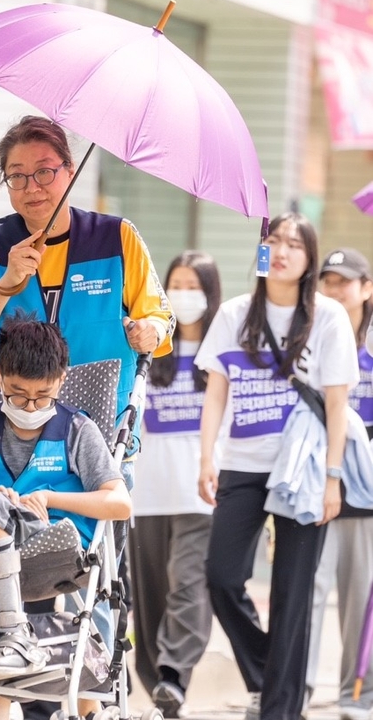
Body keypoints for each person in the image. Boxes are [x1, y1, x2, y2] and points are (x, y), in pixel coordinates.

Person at [0, 315, 132, 720]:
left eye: (42, 396)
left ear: (61, 380)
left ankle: (18, 636)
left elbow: (120, 503)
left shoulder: (76, 429)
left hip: (59, 553)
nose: (30, 406)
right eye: (18, 395)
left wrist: (49, 496)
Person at [195, 213, 358, 720]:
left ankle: (280, 709)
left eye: (294, 243)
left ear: (308, 258)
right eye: (273, 241)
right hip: (243, 464)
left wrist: (333, 477)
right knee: (221, 575)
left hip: (306, 469)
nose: (282, 250)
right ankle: (271, 668)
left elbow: (336, 406)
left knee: (293, 591)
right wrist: (208, 456)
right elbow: (217, 392)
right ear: (263, 251)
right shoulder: (234, 314)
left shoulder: (327, 317)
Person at [0, 115, 174, 461]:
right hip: (10, 439)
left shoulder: (116, 238)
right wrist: (5, 285)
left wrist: (150, 331)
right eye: (17, 176)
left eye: (44, 171)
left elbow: (161, 317)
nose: (32, 187)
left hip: (103, 435)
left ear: (69, 171)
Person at [128, 251, 222, 717]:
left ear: (211, 292)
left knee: (188, 585)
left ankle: (173, 673)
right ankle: (161, 689)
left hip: (199, 494)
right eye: (176, 285)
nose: (185, 294)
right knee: (148, 601)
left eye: (194, 285)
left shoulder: (222, 351)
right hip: (145, 494)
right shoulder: (146, 350)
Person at [306, 247, 373, 720]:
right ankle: (298, 690)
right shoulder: (313, 338)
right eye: (327, 281)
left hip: (366, 484)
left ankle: (359, 694)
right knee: (310, 589)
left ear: (366, 289)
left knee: (361, 597)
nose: (334, 289)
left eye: (344, 281)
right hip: (318, 478)